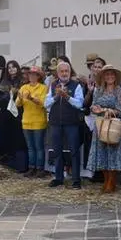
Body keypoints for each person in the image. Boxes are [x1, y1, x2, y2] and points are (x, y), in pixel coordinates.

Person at [87, 65, 121, 192]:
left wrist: (106, 110)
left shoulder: (119, 91)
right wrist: (94, 109)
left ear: (115, 77)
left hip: (114, 126)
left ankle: (112, 182)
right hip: (101, 126)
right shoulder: (99, 90)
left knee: (113, 154)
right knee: (102, 154)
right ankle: (106, 180)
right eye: (107, 74)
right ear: (103, 77)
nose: (109, 76)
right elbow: (93, 105)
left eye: (112, 74)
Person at [45, 61, 85, 189]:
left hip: (71, 123)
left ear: (69, 72)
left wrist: (67, 97)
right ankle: (58, 178)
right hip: (55, 122)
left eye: (66, 71)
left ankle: (76, 180)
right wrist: (57, 97)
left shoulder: (76, 85)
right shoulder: (52, 85)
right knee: (57, 151)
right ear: (57, 73)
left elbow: (80, 104)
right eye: (61, 71)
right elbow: (45, 104)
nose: (64, 73)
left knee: (74, 151)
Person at [17, 66, 49, 177]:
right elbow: (17, 104)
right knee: (30, 147)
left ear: (39, 76)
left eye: (34, 74)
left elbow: (43, 103)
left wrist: (31, 98)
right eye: (30, 74)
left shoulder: (43, 88)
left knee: (38, 147)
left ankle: (40, 168)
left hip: (39, 121)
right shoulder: (24, 87)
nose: (31, 76)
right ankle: (32, 168)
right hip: (26, 121)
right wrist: (20, 98)